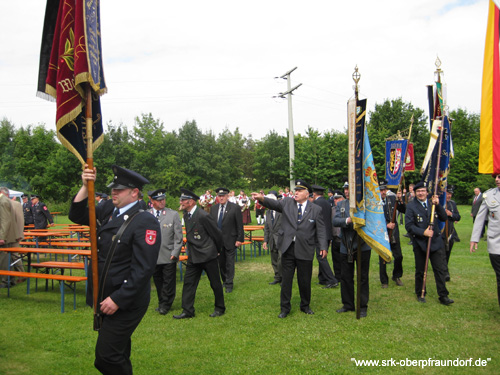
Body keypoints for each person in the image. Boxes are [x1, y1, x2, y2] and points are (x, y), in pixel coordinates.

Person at [69, 165, 161, 375]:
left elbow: (144, 269)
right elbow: (76, 214)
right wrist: (85, 186)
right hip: (105, 294)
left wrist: (119, 299)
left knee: (106, 356)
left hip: (126, 300)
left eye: (119, 189)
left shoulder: (145, 221)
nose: (113, 192)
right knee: (118, 352)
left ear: (134, 192)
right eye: (113, 188)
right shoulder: (108, 209)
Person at [251, 179, 328, 318]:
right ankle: (285, 308)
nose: (296, 192)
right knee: (286, 280)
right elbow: (273, 204)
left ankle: (305, 306)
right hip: (288, 248)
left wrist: (323, 246)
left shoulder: (316, 209)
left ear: (307, 193)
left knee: (304, 280)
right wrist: (261, 198)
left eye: (299, 190)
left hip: (305, 248)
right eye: (295, 190)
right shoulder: (287, 203)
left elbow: (321, 229)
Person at [174, 189, 225, 319]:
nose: (180, 202)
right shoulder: (186, 214)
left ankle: (220, 308)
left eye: (182, 200)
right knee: (189, 283)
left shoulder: (203, 215)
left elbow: (217, 235)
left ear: (190, 202)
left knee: (215, 283)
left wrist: (217, 251)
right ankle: (187, 310)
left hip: (208, 255)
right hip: (193, 255)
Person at [405, 181, 453, 305]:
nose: (421, 193)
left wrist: (438, 206)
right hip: (420, 243)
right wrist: (423, 232)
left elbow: (443, 218)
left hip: (436, 242)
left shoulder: (433, 203)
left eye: (423, 191)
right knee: (420, 270)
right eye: (418, 191)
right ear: (415, 193)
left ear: (427, 192)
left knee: (440, 269)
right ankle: (420, 292)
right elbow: (409, 226)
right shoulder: (411, 206)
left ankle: (443, 295)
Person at [333, 192, 371, 318]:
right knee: (346, 277)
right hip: (346, 245)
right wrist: (348, 220)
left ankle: (362, 306)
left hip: (362, 245)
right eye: (346, 189)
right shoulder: (341, 204)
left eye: (350, 188)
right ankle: (348, 304)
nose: (347, 192)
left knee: (363, 277)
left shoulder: (365, 204)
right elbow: (335, 220)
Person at [148, 188, 183, 315]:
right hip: (153, 256)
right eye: (159, 200)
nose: (162, 202)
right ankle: (161, 301)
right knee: (158, 280)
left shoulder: (172, 214)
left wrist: (176, 252)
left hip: (168, 254)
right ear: (152, 201)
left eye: (163, 199)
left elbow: (178, 236)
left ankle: (166, 304)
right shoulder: (147, 215)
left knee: (168, 281)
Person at [470, 173, 500, 308]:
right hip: (496, 244)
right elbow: (480, 218)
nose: (497, 180)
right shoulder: (489, 195)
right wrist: (474, 238)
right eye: (496, 177)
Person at [210, 187, 244, 293]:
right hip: (218, 242)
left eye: (223, 196)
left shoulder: (234, 208)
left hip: (230, 239)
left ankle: (229, 283)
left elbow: (239, 225)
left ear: (227, 196)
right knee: (221, 263)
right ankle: (224, 280)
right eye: (219, 196)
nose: (221, 198)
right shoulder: (214, 209)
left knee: (229, 263)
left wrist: (239, 239)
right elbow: (211, 225)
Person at [378, 181, 405, 288]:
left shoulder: (393, 199)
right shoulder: (375, 203)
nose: (383, 192)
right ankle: (384, 281)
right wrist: (386, 225)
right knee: (383, 258)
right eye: (380, 190)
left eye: (384, 190)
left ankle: (396, 276)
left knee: (398, 256)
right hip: (382, 234)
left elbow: (403, 210)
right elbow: (374, 220)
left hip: (394, 233)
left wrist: (401, 201)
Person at [311, 184, 338, 289]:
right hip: (327, 233)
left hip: (320, 234)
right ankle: (322, 278)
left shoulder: (316, 204)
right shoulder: (327, 203)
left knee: (321, 257)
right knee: (322, 256)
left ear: (314, 194)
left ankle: (331, 279)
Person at [0, 187, 26, 288]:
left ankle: (7, 280)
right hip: (11, 235)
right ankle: (11, 279)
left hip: (9, 236)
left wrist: (2, 236)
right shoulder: (7, 201)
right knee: (10, 257)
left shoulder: (4, 202)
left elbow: (6, 220)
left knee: (6, 258)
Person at [263, 191, 282, 285]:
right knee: (274, 259)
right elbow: (266, 227)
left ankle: (284, 277)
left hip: (281, 239)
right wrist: (265, 241)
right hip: (271, 239)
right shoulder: (268, 212)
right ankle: (277, 277)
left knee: (281, 259)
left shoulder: (281, 210)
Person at [442, 186, 461, 282]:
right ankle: (445, 272)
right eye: (447, 193)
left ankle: (444, 269)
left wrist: (451, 215)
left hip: (450, 233)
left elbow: (458, 217)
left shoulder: (452, 204)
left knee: (447, 253)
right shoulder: (440, 203)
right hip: (441, 234)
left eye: (450, 194)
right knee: (441, 254)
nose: (449, 195)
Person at [330, 190, 344, 283]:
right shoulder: (332, 210)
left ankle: (344, 276)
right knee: (335, 259)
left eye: (338, 198)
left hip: (343, 239)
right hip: (335, 238)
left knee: (343, 259)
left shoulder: (345, 209)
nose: (336, 201)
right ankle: (337, 276)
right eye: (335, 199)